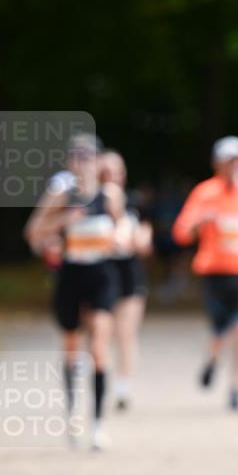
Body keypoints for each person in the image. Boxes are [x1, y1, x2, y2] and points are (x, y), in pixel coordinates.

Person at [25, 133, 125, 450]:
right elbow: (33, 230)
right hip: (71, 275)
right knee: (71, 348)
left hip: (102, 276)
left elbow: (122, 227)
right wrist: (63, 220)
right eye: (76, 157)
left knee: (98, 347)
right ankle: (72, 415)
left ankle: (97, 424)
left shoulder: (109, 194)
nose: (83, 162)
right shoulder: (62, 194)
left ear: (98, 160)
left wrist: (121, 236)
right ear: (70, 162)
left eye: (88, 156)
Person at [172, 136, 238, 411]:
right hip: (214, 271)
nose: (234, 165)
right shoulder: (204, 193)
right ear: (217, 163)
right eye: (228, 160)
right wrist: (198, 223)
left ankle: (236, 389)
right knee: (220, 330)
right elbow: (180, 232)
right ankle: (212, 360)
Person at [98, 150, 153, 411]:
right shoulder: (89, 203)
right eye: (105, 171)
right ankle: (99, 379)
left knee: (125, 333)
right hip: (101, 273)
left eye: (115, 171)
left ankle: (122, 387)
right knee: (100, 332)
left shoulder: (134, 203)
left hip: (130, 274)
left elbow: (144, 242)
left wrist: (135, 240)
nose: (111, 176)